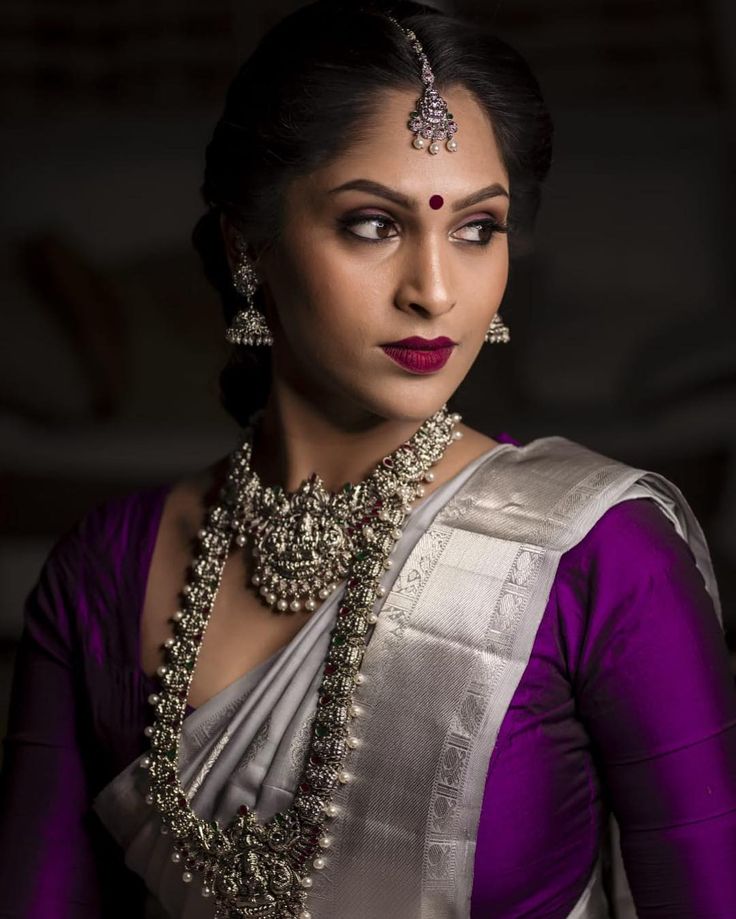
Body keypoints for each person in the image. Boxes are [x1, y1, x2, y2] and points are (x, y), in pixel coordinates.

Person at [1, 1, 735, 916]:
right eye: (372, 224)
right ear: (246, 245)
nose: (433, 289)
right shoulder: (104, 571)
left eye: (476, 228)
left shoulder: (598, 553)